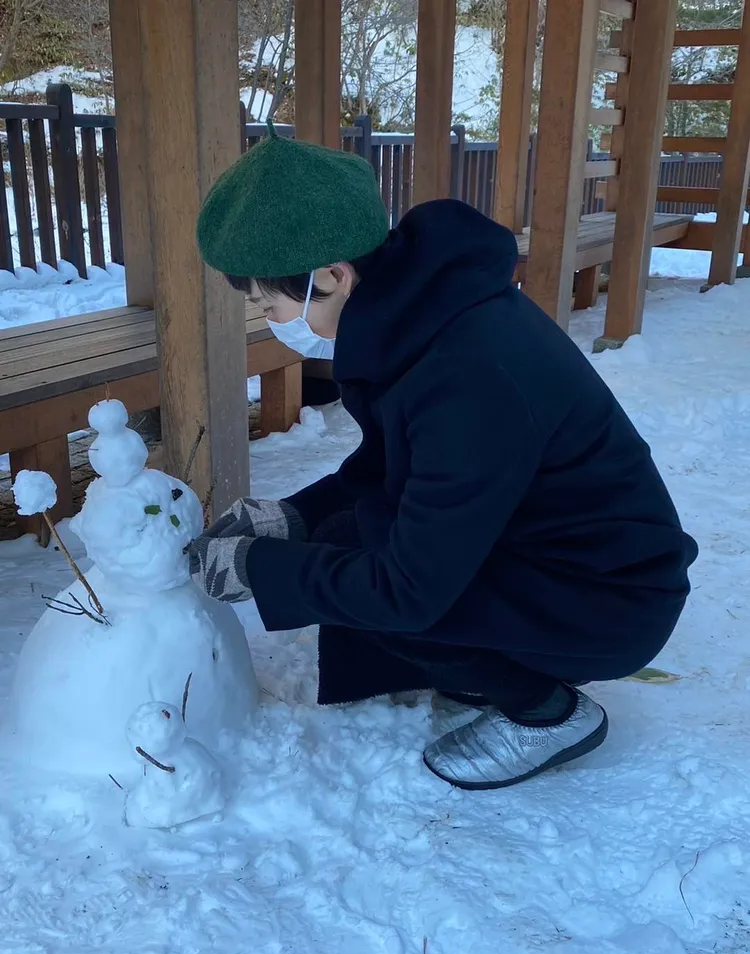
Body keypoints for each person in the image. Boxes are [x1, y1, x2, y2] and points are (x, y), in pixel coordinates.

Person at [190, 123, 698, 791]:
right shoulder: (420, 316)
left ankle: (547, 712)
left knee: (382, 589)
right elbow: (391, 471)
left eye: (270, 301)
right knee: (348, 538)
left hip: (607, 594)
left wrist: (262, 568)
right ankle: (488, 662)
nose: (270, 318)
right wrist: (293, 516)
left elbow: (408, 591)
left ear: (332, 276)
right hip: (547, 546)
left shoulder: (467, 373)